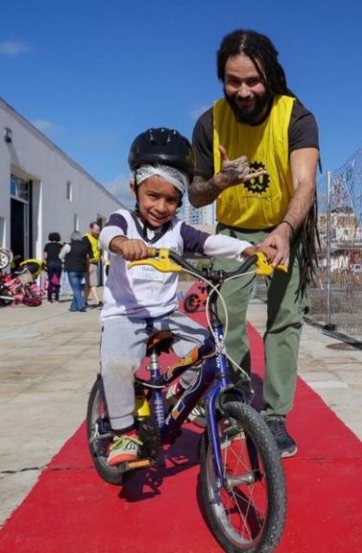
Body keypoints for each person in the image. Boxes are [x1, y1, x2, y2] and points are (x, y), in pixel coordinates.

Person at [99, 127, 272, 467]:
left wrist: (248, 250)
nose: (161, 206)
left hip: (165, 315)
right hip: (125, 315)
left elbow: (210, 243)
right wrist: (123, 244)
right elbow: (108, 234)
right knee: (116, 364)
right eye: (153, 196)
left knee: (210, 349)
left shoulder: (178, 230)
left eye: (172, 199)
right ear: (134, 188)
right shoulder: (125, 222)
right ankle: (123, 433)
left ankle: (182, 398)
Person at [188, 29, 320, 458]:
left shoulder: (296, 116)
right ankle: (240, 395)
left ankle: (276, 416)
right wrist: (220, 181)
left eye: (253, 81)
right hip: (233, 232)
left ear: (270, 75)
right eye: (233, 81)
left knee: (284, 320)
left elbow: (305, 183)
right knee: (227, 317)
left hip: (285, 227)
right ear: (221, 78)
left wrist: (285, 229)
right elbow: (195, 194)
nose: (243, 91)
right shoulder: (209, 121)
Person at [60, 230, 92, 312]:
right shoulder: (84, 246)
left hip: (71, 269)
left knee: (75, 288)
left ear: (72, 238)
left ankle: (81, 305)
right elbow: (88, 257)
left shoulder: (68, 246)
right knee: (77, 288)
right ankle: (73, 307)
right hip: (82, 269)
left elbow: (61, 256)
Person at [84, 222, 103, 308]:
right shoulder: (86, 238)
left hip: (95, 263)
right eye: (96, 230)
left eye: (98, 230)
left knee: (88, 284)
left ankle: (83, 301)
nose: (97, 232)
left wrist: (102, 257)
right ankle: (98, 301)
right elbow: (85, 253)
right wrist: (88, 266)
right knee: (93, 284)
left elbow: (99, 249)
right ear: (91, 229)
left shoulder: (97, 239)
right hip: (90, 263)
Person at [42, 232, 64, 303]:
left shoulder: (47, 245)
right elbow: (62, 255)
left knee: (51, 281)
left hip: (50, 264)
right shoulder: (60, 246)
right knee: (57, 280)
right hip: (58, 264)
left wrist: (45, 263)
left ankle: (49, 298)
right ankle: (57, 297)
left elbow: (45, 256)